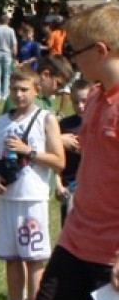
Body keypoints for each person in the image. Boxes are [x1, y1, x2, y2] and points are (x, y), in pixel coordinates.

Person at [6, 2, 119, 300]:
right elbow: (88, 144)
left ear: (101, 50)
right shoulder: (97, 97)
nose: (67, 61)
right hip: (77, 240)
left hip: (114, 251)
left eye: (73, 53)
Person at [0, 66, 65, 300]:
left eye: (24, 90)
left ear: (36, 91)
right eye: (14, 90)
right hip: (8, 197)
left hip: (32, 196)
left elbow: (59, 160)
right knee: (11, 257)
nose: (19, 95)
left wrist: (29, 151)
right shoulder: (1, 122)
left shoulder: (45, 119)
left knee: (33, 258)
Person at [54, 78, 90, 229]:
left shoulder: (98, 123)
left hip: (92, 187)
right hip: (69, 187)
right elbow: (56, 159)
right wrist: (58, 185)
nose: (80, 106)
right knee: (68, 231)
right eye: (75, 102)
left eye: (84, 101)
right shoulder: (64, 125)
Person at [0, 54, 73, 115]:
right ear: (45, 75)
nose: (59, 90)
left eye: (62, 86)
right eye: (58, 84)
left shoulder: (48, 101)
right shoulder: (20, 98)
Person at [0, 14, 18, 101]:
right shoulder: (11, 30)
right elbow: (14, 43)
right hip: (7, 53)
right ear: (8, 21)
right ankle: (5, 93)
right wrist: (15, 54)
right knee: (7, 74)